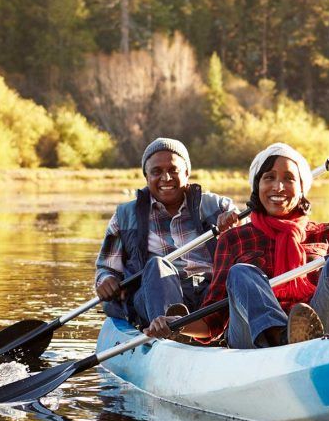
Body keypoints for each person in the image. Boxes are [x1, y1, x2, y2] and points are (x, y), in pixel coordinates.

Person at [145, 142, 329, 348]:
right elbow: (215, 321)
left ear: (300, 190)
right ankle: (280, 337)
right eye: (269, 177)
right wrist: (176, 326)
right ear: (257, 186)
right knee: (242, 272)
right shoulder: (235, 237)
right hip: (255, 342)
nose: (279, 186)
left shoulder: (326, 234)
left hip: (321, 328)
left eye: (289, 178)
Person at [96, 137, 240, 328]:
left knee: (239, 274)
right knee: (157, 265)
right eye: (157, 172)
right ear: (147, 177)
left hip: (210, 294)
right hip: (152, 295)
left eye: (173, 170)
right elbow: (106, 268)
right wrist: (105, 280)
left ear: (187, 173)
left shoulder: (219, 207)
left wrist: (235, 225)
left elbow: (248, 249)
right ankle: (171, 332)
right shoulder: (124, 216)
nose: (166, 178)